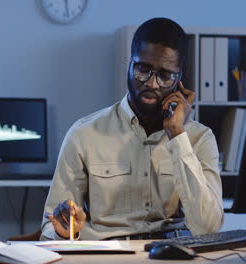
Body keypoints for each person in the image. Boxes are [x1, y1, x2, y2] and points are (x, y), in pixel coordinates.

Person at [40, 17, 223, 241]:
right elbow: (49, 228)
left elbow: (208, 229)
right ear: (130, 64)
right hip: (107, 255)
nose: (152, 83)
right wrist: (66, 230)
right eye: (143, 69)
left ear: (179, 80)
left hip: (173, 253)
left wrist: (177, 135)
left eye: (165, 76)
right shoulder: (83, 134)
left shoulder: (199, 138)